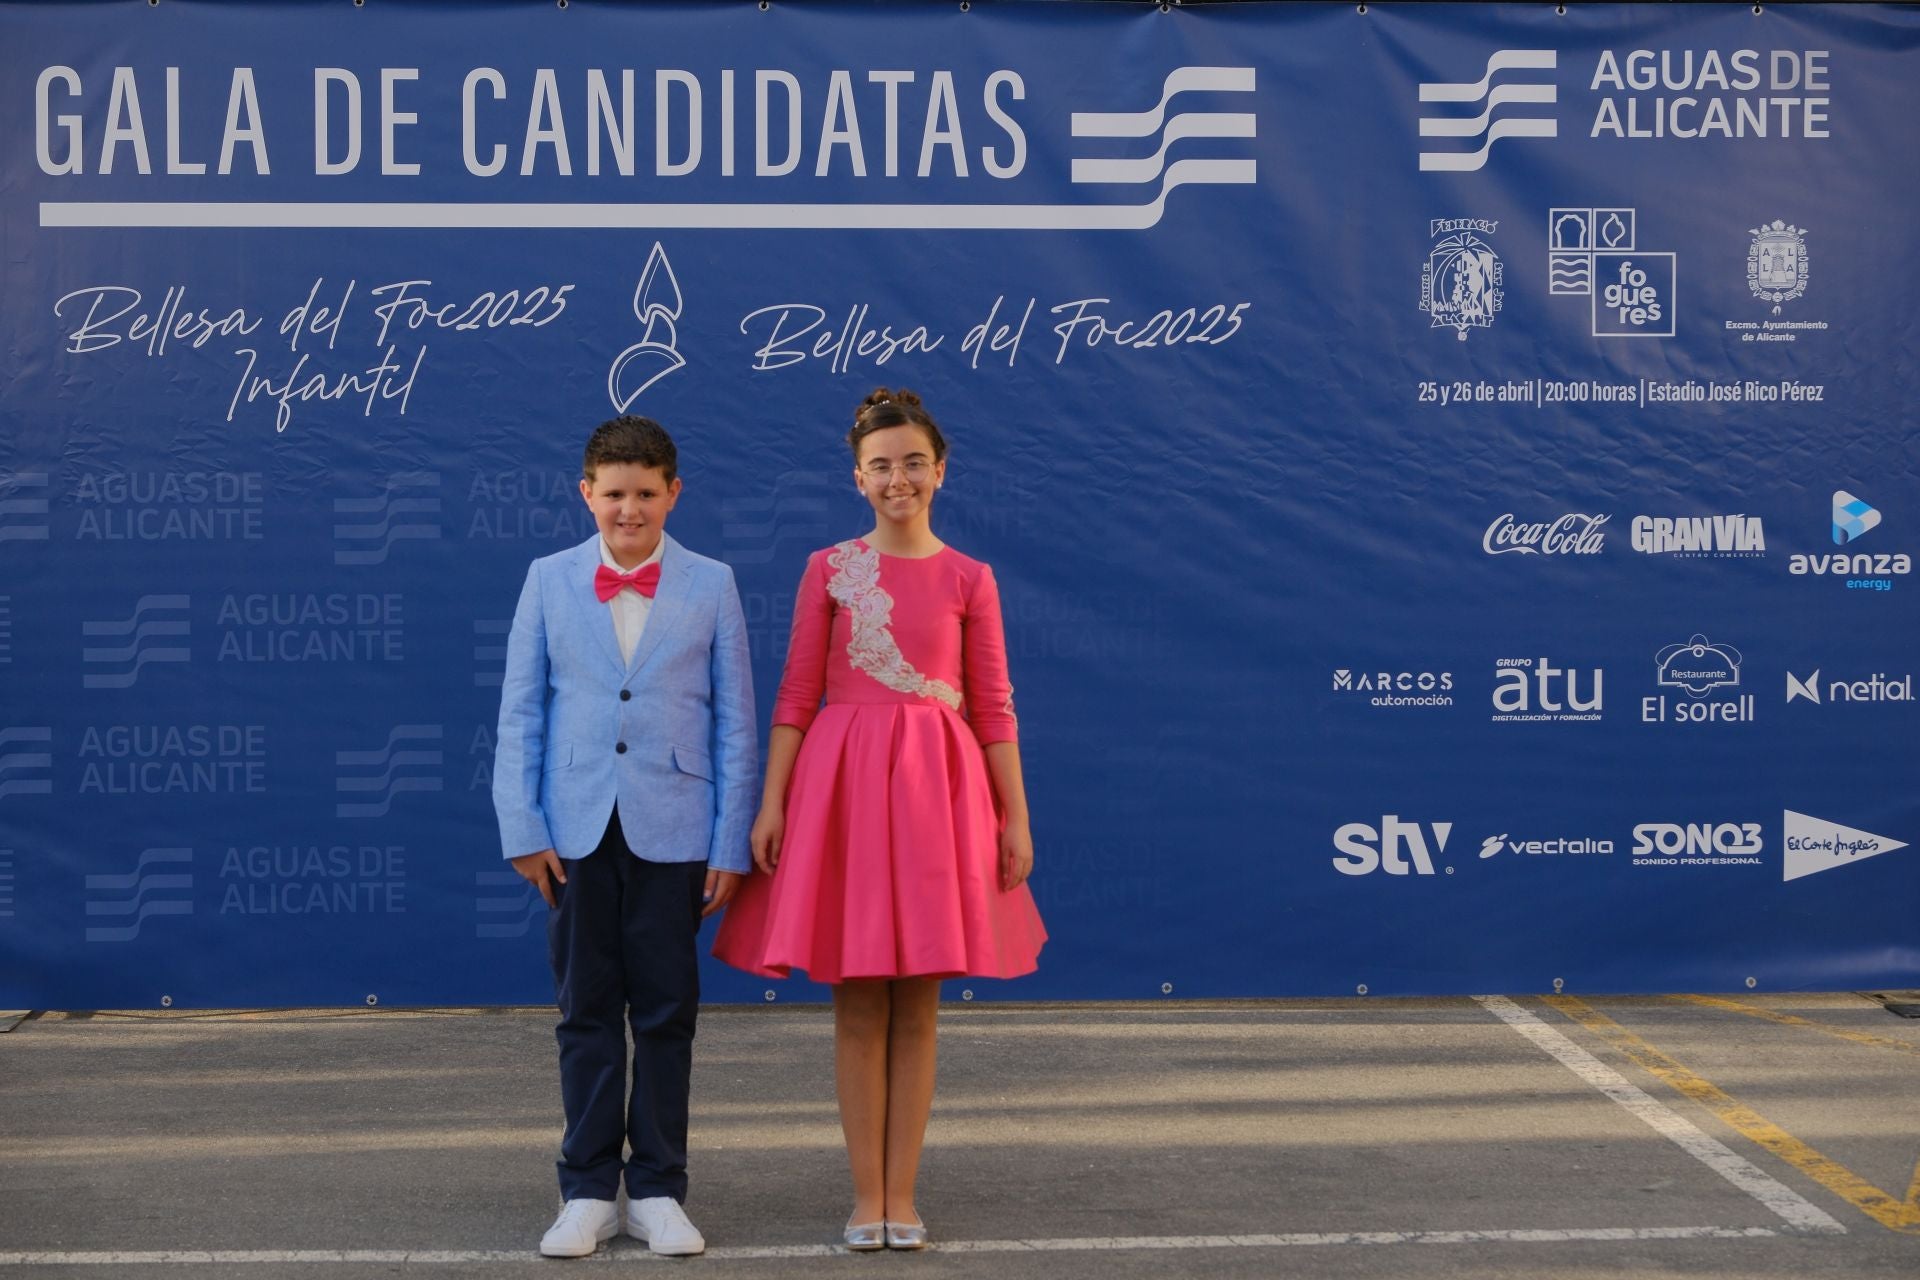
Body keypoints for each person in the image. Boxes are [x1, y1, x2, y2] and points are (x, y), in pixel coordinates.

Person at [714, 388, 1047, 1250]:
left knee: (921, 1003)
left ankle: (906, 1193)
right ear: (857, 478)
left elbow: (995, 706)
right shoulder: (829, 568)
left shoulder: (972, 577)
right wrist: (773, 800)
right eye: (880, 466)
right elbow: (795, 692)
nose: (898, 478)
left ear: (941, 469)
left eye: (912, 462)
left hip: (939, 793)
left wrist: (1015, 815)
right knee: (859, 1002)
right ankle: (868, 1198)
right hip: (846, 789)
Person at [493, 415, 756, 1259]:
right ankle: (585, 1191)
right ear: (587, 494)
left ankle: (657, 1190)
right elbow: (521, 710)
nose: (630, 510)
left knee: (669, 1012)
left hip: (674, 829)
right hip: (572, 829)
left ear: (673, 493)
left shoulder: (712, 583)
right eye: (614, 494)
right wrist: (523, 826)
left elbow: (737, 726)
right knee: (586, 1011)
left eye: (647, 493)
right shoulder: (548, 579)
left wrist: (728, 843)